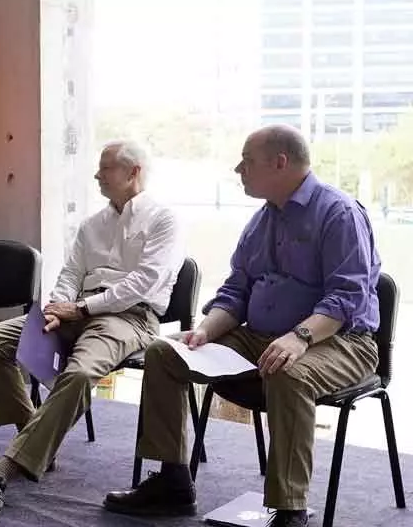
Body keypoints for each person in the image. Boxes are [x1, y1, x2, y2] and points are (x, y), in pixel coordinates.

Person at [103, 125, 381, 527]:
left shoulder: (338, 214)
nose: (238, 169)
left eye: (247, 161)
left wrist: (299, 337)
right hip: (263, 336)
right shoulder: (262, 220)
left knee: (290, 373)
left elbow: (345, 299)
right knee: (165, 352)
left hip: (340, 340)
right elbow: (235, 291)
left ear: (279, 163)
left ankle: (289, 509)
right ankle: (174, 482)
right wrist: (204, 331)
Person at [0, 140, 184, 518]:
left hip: (130, 318)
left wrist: (81, 307)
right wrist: (56, 309)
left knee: (81, 372)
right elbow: (71, 274)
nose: (97, 175)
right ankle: (34, 442)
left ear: (133, 172)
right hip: (76, 312)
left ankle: (7, 468)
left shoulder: (163, 220)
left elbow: (144, 283)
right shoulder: (92, 224)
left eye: (106, 168)